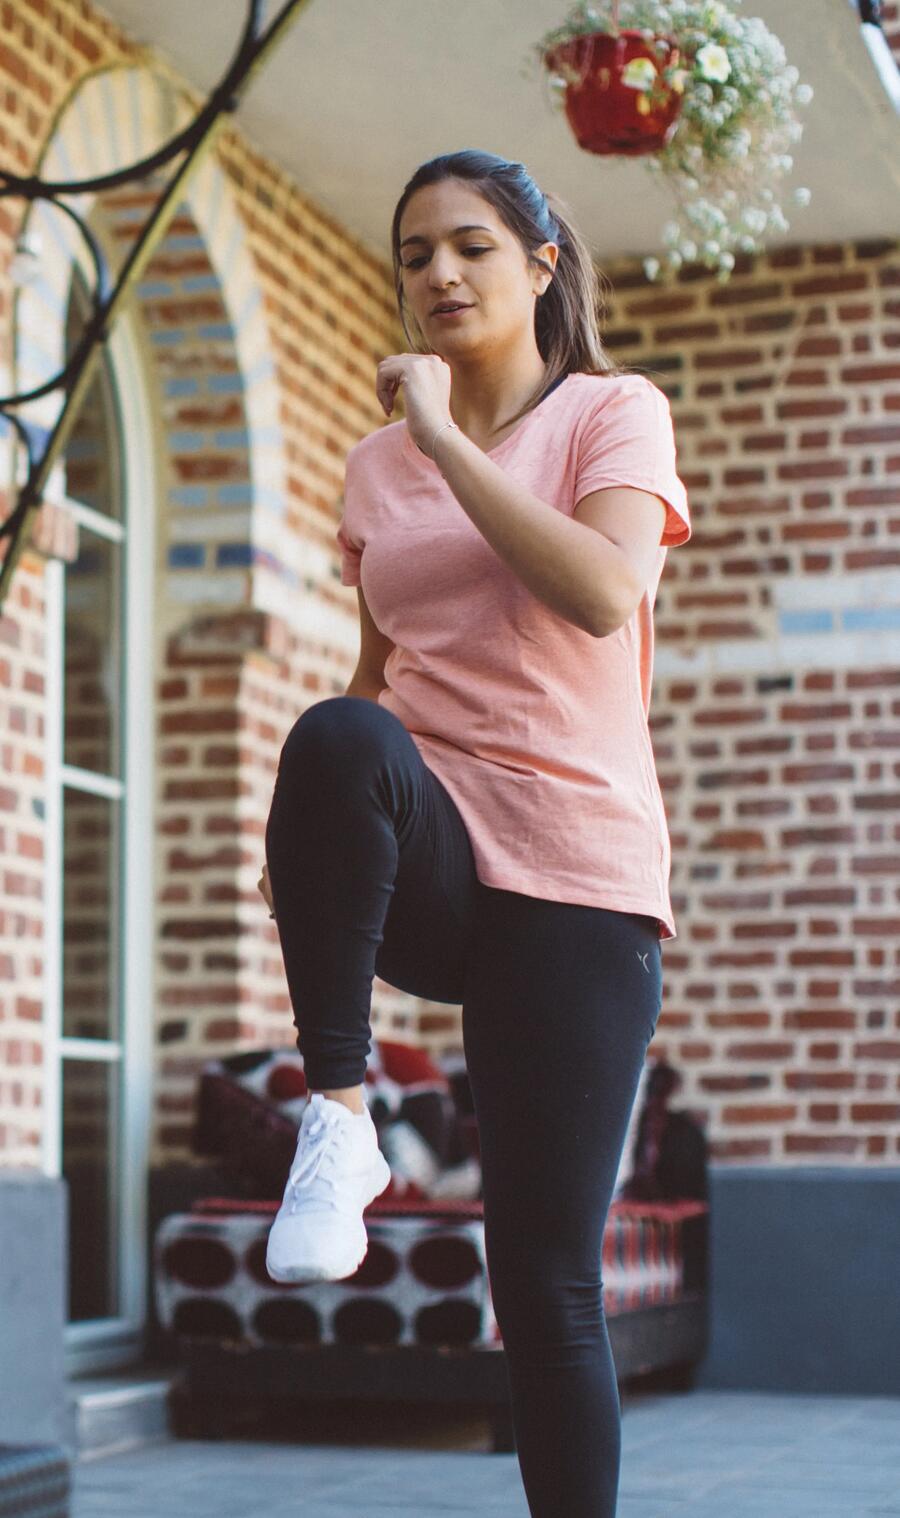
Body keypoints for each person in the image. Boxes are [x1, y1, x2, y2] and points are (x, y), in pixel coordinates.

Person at [258, 149, 691, 1518]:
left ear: (542, 264)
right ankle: (339, 1120)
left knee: (544, 1282)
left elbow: (602, 591)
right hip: (447, 858)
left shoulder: (611, 414)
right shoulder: (370, 472)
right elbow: (379, 680)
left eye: (470, 247)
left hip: (578, 889)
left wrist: (447, 440)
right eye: (413, 255)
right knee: (335, 734)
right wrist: (333, 850)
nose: (436, 274)